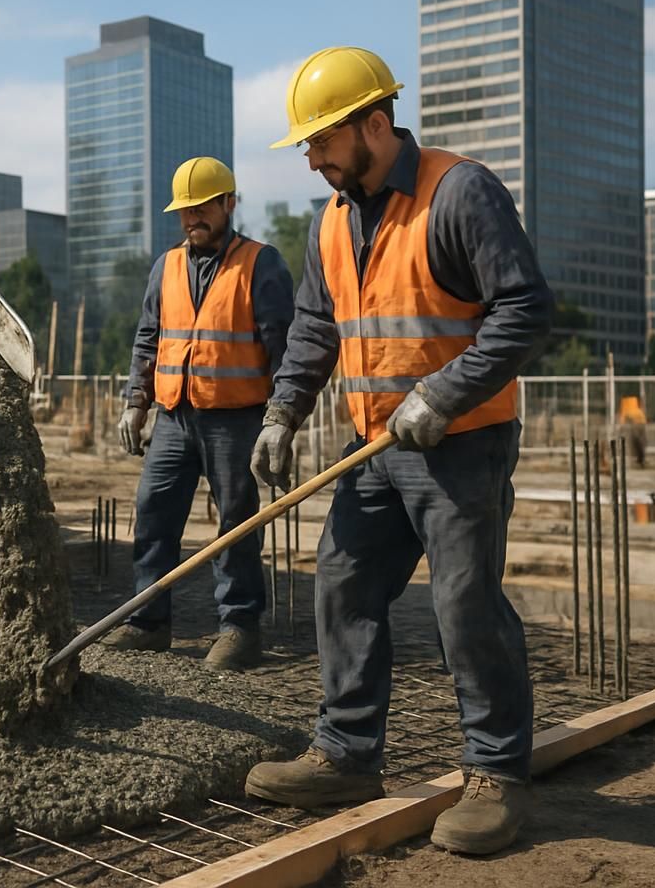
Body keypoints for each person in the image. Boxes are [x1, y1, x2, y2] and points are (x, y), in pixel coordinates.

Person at [242, 47, 553, 855]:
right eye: (306, 146)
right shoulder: (334, 221)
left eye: (320, 141)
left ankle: (495, 774)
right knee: (341, 586)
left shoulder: (461, 193)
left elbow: (523, 310)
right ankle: (347, 754)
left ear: (374, 125)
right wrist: (281, 411)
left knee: (463, 605)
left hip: (463, 444)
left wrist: (444, 394)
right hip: (374, 446)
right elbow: (317, 327)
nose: (310, 158)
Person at [106, 156, 294, 669]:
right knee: (153, 512)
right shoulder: (165, 267)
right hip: (172, 416)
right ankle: (148, 622)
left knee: (235, 522)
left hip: (235, 419)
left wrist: (282, 420)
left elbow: (284, 349)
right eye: (185, 210)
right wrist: (134, 402)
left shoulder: (262, 263)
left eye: (204, 207)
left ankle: (239, 628)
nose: (194, 218)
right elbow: (148, 339)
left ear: (230, 203)